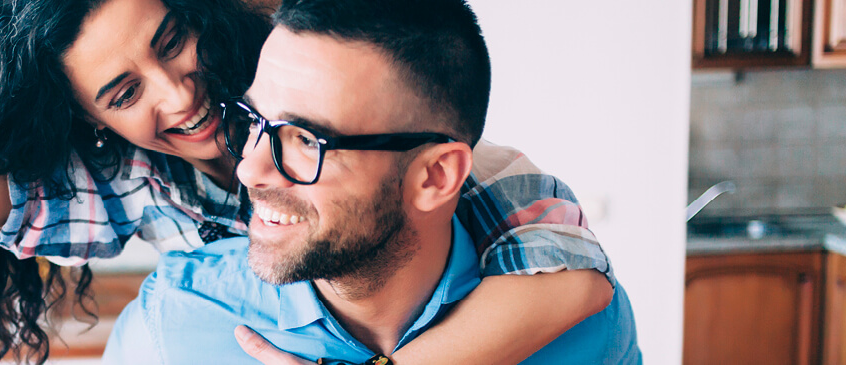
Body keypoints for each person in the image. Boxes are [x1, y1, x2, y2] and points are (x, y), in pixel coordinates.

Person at [0, 0, 615, 363]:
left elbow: (572, 279)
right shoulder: (135, 195)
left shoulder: (475, 182)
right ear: (88, 123)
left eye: (173, 41)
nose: (180, 89)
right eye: (122, 89)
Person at [103, 0, 641, 363]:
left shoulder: (580, 325)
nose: (249, 171)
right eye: (253, 123)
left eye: (306, 141)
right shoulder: (169, 331)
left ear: (434, 176)